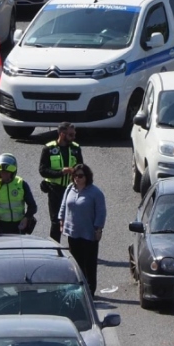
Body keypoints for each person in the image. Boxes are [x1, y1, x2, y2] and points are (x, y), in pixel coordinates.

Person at [59, 164, 106, 296]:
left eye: (80, 176)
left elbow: (101, 212)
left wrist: (98, 229)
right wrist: (61, 221)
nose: (77, 178)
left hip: (89, 234)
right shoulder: (70, 189)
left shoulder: (95, 193)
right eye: (75, 175)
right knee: (76, 264)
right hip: (73, 233)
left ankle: (90, 292)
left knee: (89, 264)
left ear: (87, 177)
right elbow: (63, 206)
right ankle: (79, 290)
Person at [38, 122, 83, 242]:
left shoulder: (76, 148)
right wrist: (61, 173)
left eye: (74, 134)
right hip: (54, 190)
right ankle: (54, 247)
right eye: (71, 135)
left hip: (71, 190)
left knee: (72, 221)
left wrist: (77, 173)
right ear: (62, 134)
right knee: (56, 221)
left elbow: (81, 168)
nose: (74, 137)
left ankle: (74, 249)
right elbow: (43, 170)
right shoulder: (49, 148)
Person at [0, 153, 38, 235]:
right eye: (2, 172)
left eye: (7, 172)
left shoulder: (21, 184)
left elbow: (33, 206)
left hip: (19, 227)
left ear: (13, 172)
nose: (5, 175)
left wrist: (26, 218)